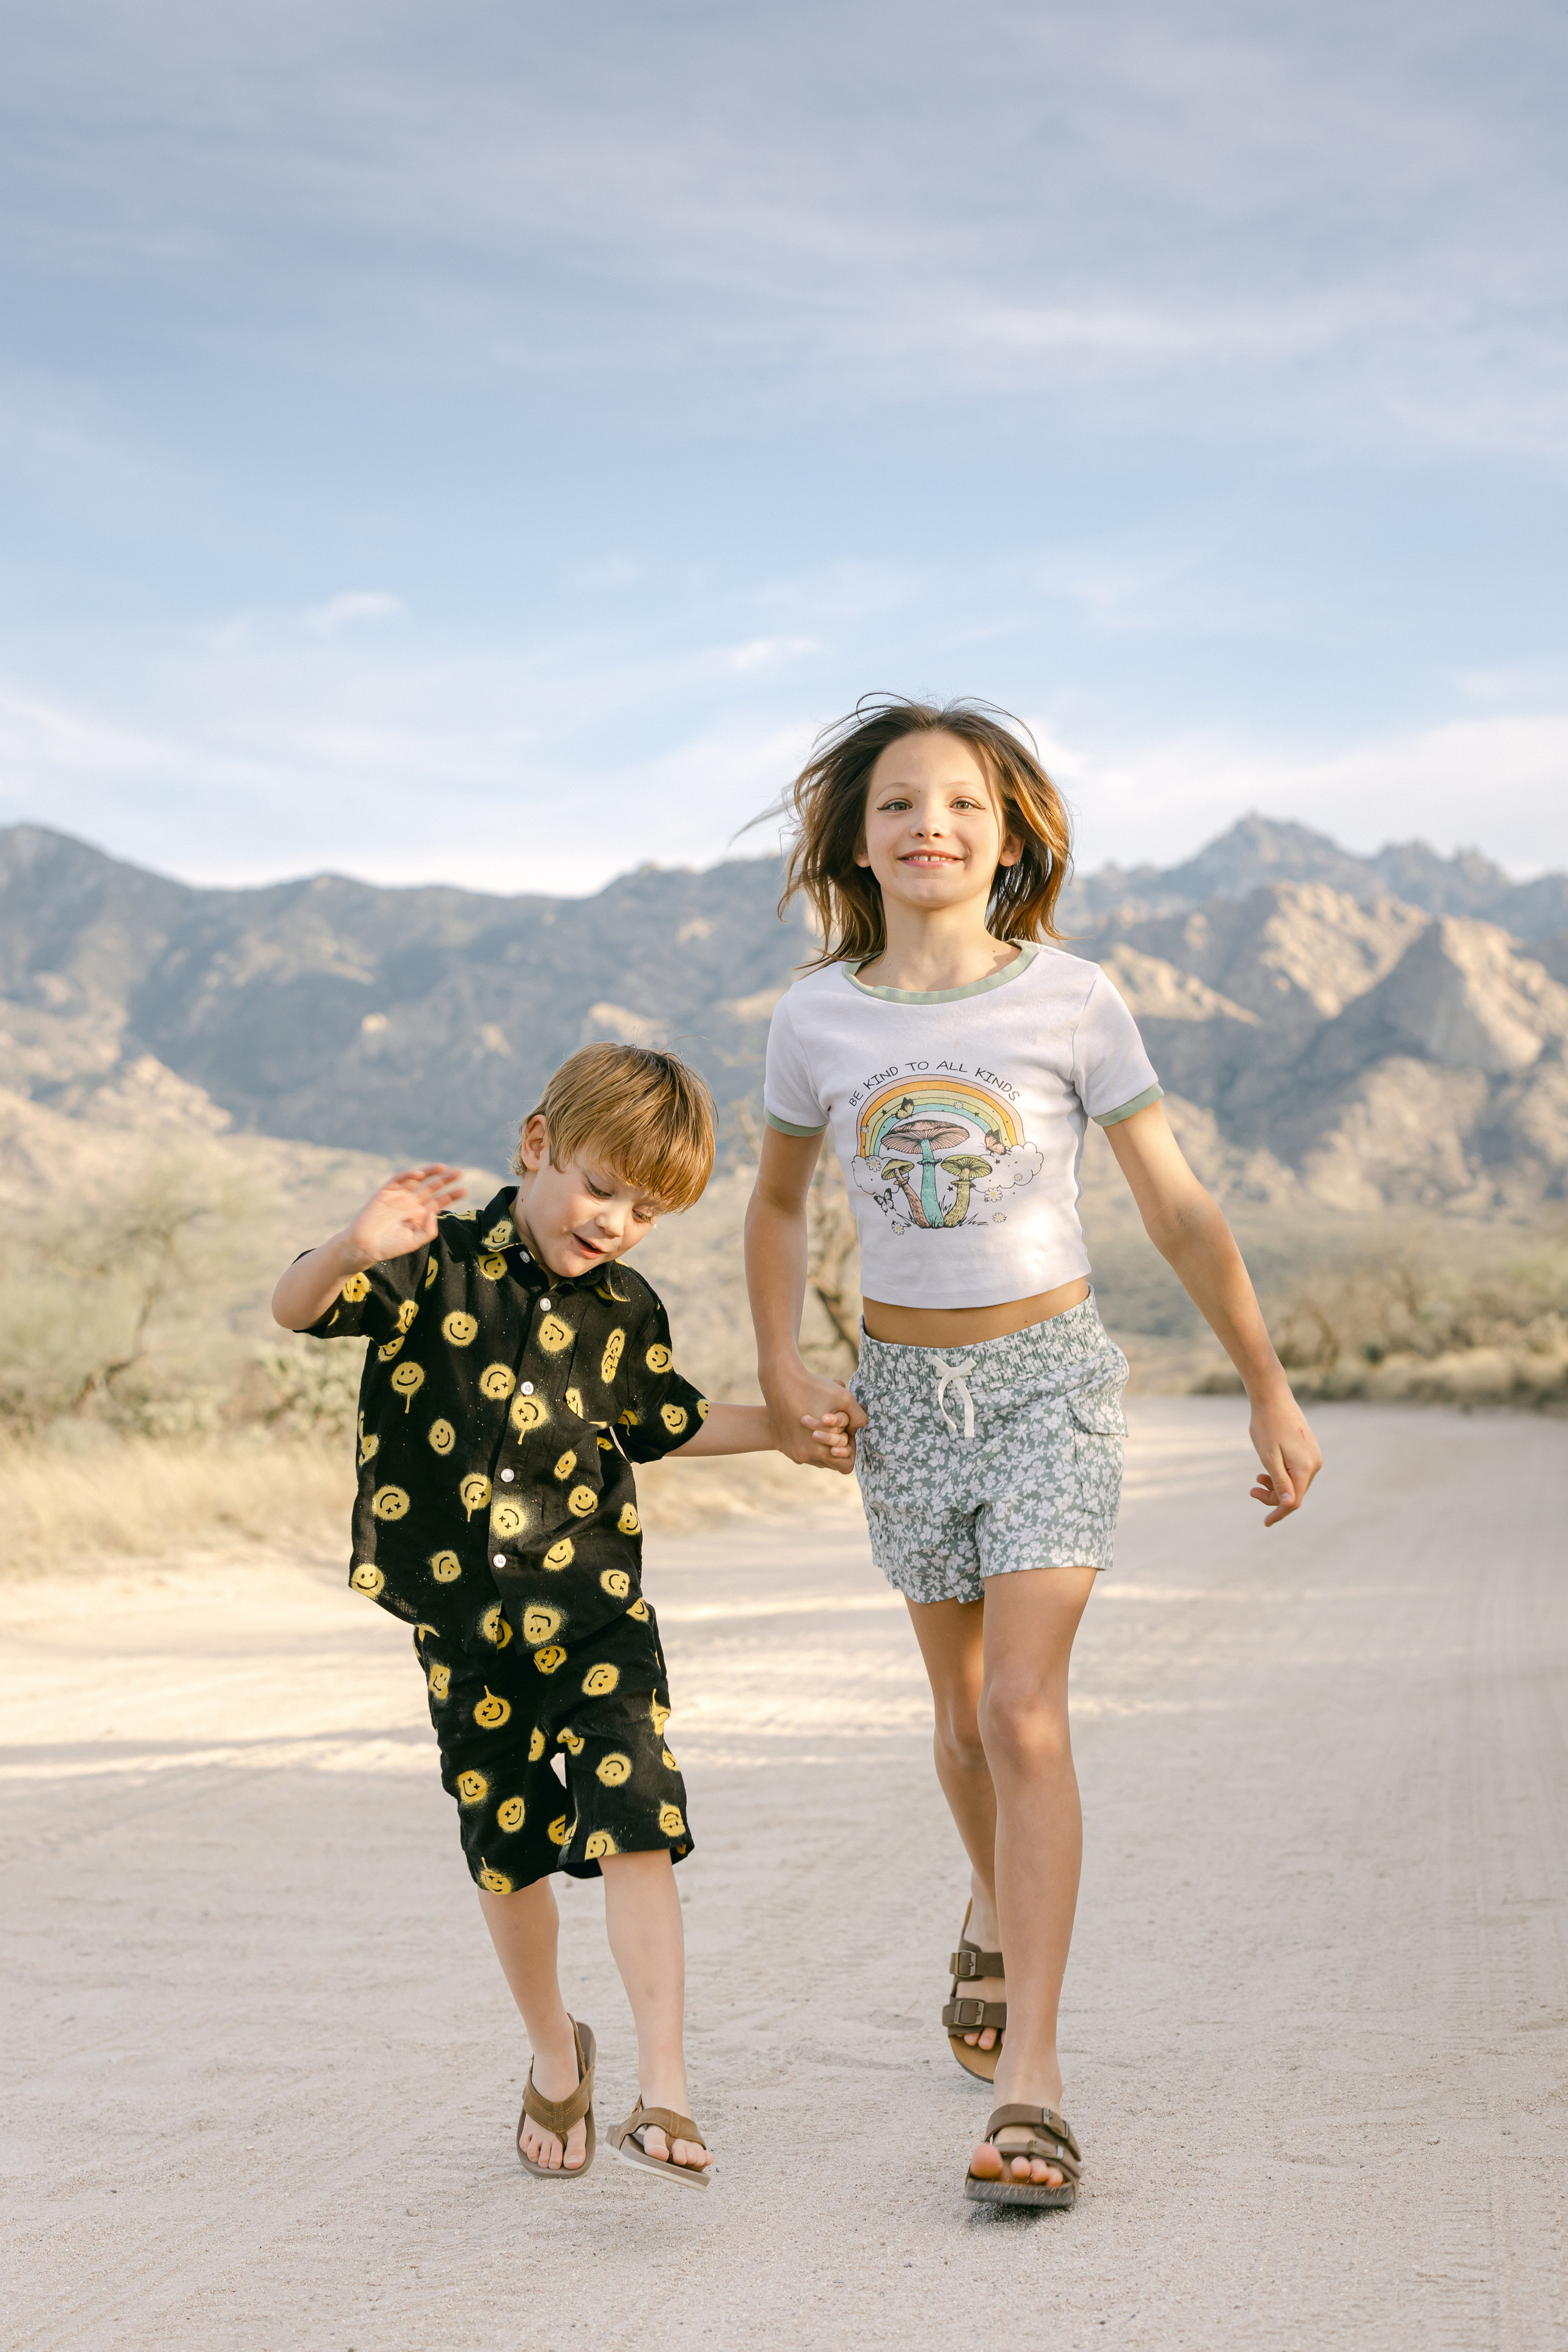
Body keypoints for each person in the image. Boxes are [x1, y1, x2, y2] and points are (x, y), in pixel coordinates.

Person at [745, 698, 1322, 2209]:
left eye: (961, 806)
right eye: (894, 805)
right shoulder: (814, 1022)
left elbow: (1178, 1210)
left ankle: (1033, 2084)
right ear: (853, 841)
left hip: (1047, 1381)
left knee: (1020, 1712)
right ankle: (993, 1910)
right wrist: (781, 1361)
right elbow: (775, 1207)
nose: (927, 826)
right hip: (902, 1399)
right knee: (953, 1722)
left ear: (1008, 840)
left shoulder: (1071, 999)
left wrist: (1264, 1384)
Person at [273, 1044, 845, 2187]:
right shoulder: (425, 1262)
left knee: (637, 1815)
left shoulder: (629, 1310)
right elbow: (295, 1308)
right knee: (509, 1853)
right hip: (465, 1625)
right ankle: (554, 2052)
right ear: (536, 1144)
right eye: (601, 1187)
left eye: (646, 1210)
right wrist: (351, 1246)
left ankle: (667, 2091)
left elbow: (664, 1422)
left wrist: (787, 1427)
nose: (618, 1222)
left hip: (594, 1615)